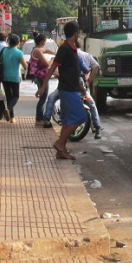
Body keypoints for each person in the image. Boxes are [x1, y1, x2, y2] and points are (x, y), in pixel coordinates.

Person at [36, 20, 88, 160]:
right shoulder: (64, 48)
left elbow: (74, 71)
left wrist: (81, 87)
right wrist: (42, 86)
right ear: (76, 33)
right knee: (80, 117)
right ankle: (59, 143)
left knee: (68, 120)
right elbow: (53, 67)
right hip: (66, 89)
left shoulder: (72, 48)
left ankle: (61, 150)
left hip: (73, 88)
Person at [27, 34, 56, 126]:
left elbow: (46, 50)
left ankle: (39, 117)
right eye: (45, 42)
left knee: (42, 96)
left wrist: (55, 53)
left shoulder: (36, 49)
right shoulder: (37, 51)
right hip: (40, 76)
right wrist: (53, 59)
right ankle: (39, 119)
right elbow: (47, 64)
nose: (45, 43)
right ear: (42, 42)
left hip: (38, 76)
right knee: (43, 97)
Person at [0, 34, 27, 124]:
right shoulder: (19, 52)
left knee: (8, 97)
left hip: (4, 76)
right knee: (15, 96)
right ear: (18, 43)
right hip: (14, 77)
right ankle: (8, 109)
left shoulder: (4, 50)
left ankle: (12, 118)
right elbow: (25, 66)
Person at [78, 48, 103, 139]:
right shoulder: (65, 56)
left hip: (80, 90)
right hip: (68, 89)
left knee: (91, 103)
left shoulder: (78, 58)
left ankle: (97, 127)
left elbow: (88, 70)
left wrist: (87, 80)